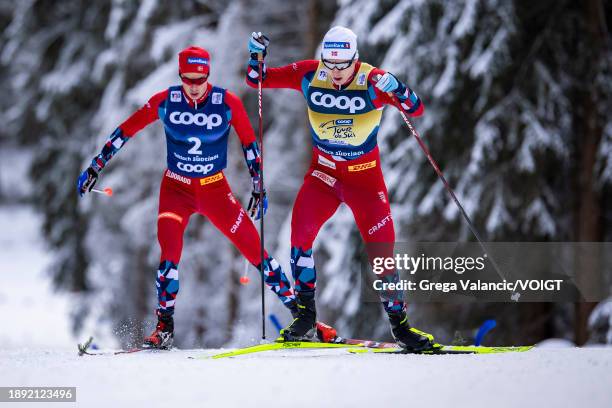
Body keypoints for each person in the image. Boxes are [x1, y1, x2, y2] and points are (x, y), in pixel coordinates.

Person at [78, 46, 297, 349]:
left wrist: (258, 185)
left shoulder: (226, 102)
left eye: (201, 78)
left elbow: (250, 144)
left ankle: (303, 316)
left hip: (215, 190)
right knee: (169, 257)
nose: (194, 86)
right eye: (188, 79)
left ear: (208, 74)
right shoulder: (166, 101)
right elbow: (126, 131)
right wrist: (96, 166)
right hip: (176, 191)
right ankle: (164, 328)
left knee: (257, 252)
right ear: (180, 75)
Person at [245, 26, 435, 351]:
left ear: (355, 59)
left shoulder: (372, 81)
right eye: (329, 64)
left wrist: (399, 88)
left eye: (342, 65)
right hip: (324, 176)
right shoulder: (309, 74)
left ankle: (401, 328)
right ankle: (306, 316)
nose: (334, 73)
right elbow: (258, 79)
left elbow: (415, 108)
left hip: (364, 180)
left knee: (382, 253)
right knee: (299, 238)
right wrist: (255, 54)